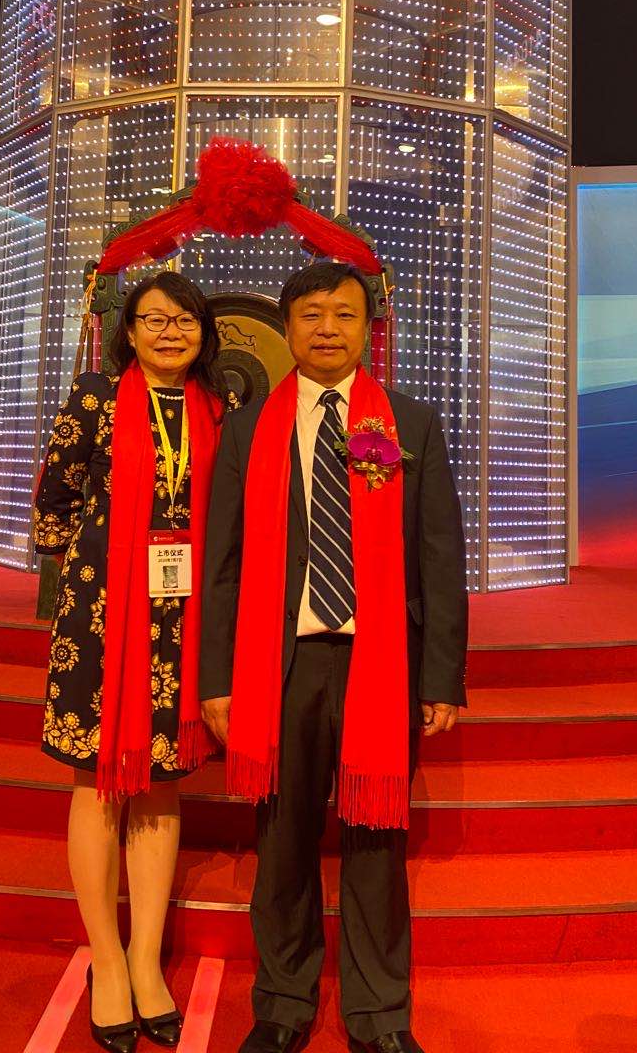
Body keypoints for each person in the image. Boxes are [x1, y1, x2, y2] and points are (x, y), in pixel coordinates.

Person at [199, 261, 468, 1053]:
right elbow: (222, 564)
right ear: (287, 327)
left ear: (367, 328)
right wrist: (216, 679)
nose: (327, 329)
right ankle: (282, 1004)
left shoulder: (409, 423)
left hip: (378, 663)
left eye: (343, 314)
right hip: (277, 666)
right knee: (282, 841)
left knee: (376, 842)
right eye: (311, 314)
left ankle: (380, 1014)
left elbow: (440, 558)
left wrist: (442, 676)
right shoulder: (250, 428)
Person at [34, 271, 231, 1053]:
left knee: (162, 781)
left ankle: (146, 961)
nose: (170, 332)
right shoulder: (94, 397)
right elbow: (55, 497)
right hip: (100, 614)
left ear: (204, 332)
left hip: (184, 620)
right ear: (130, 330)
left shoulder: (220, 407)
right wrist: (89, 567)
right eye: (155, 319)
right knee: (96, 781)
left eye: (185, 320)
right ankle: (107, 961)